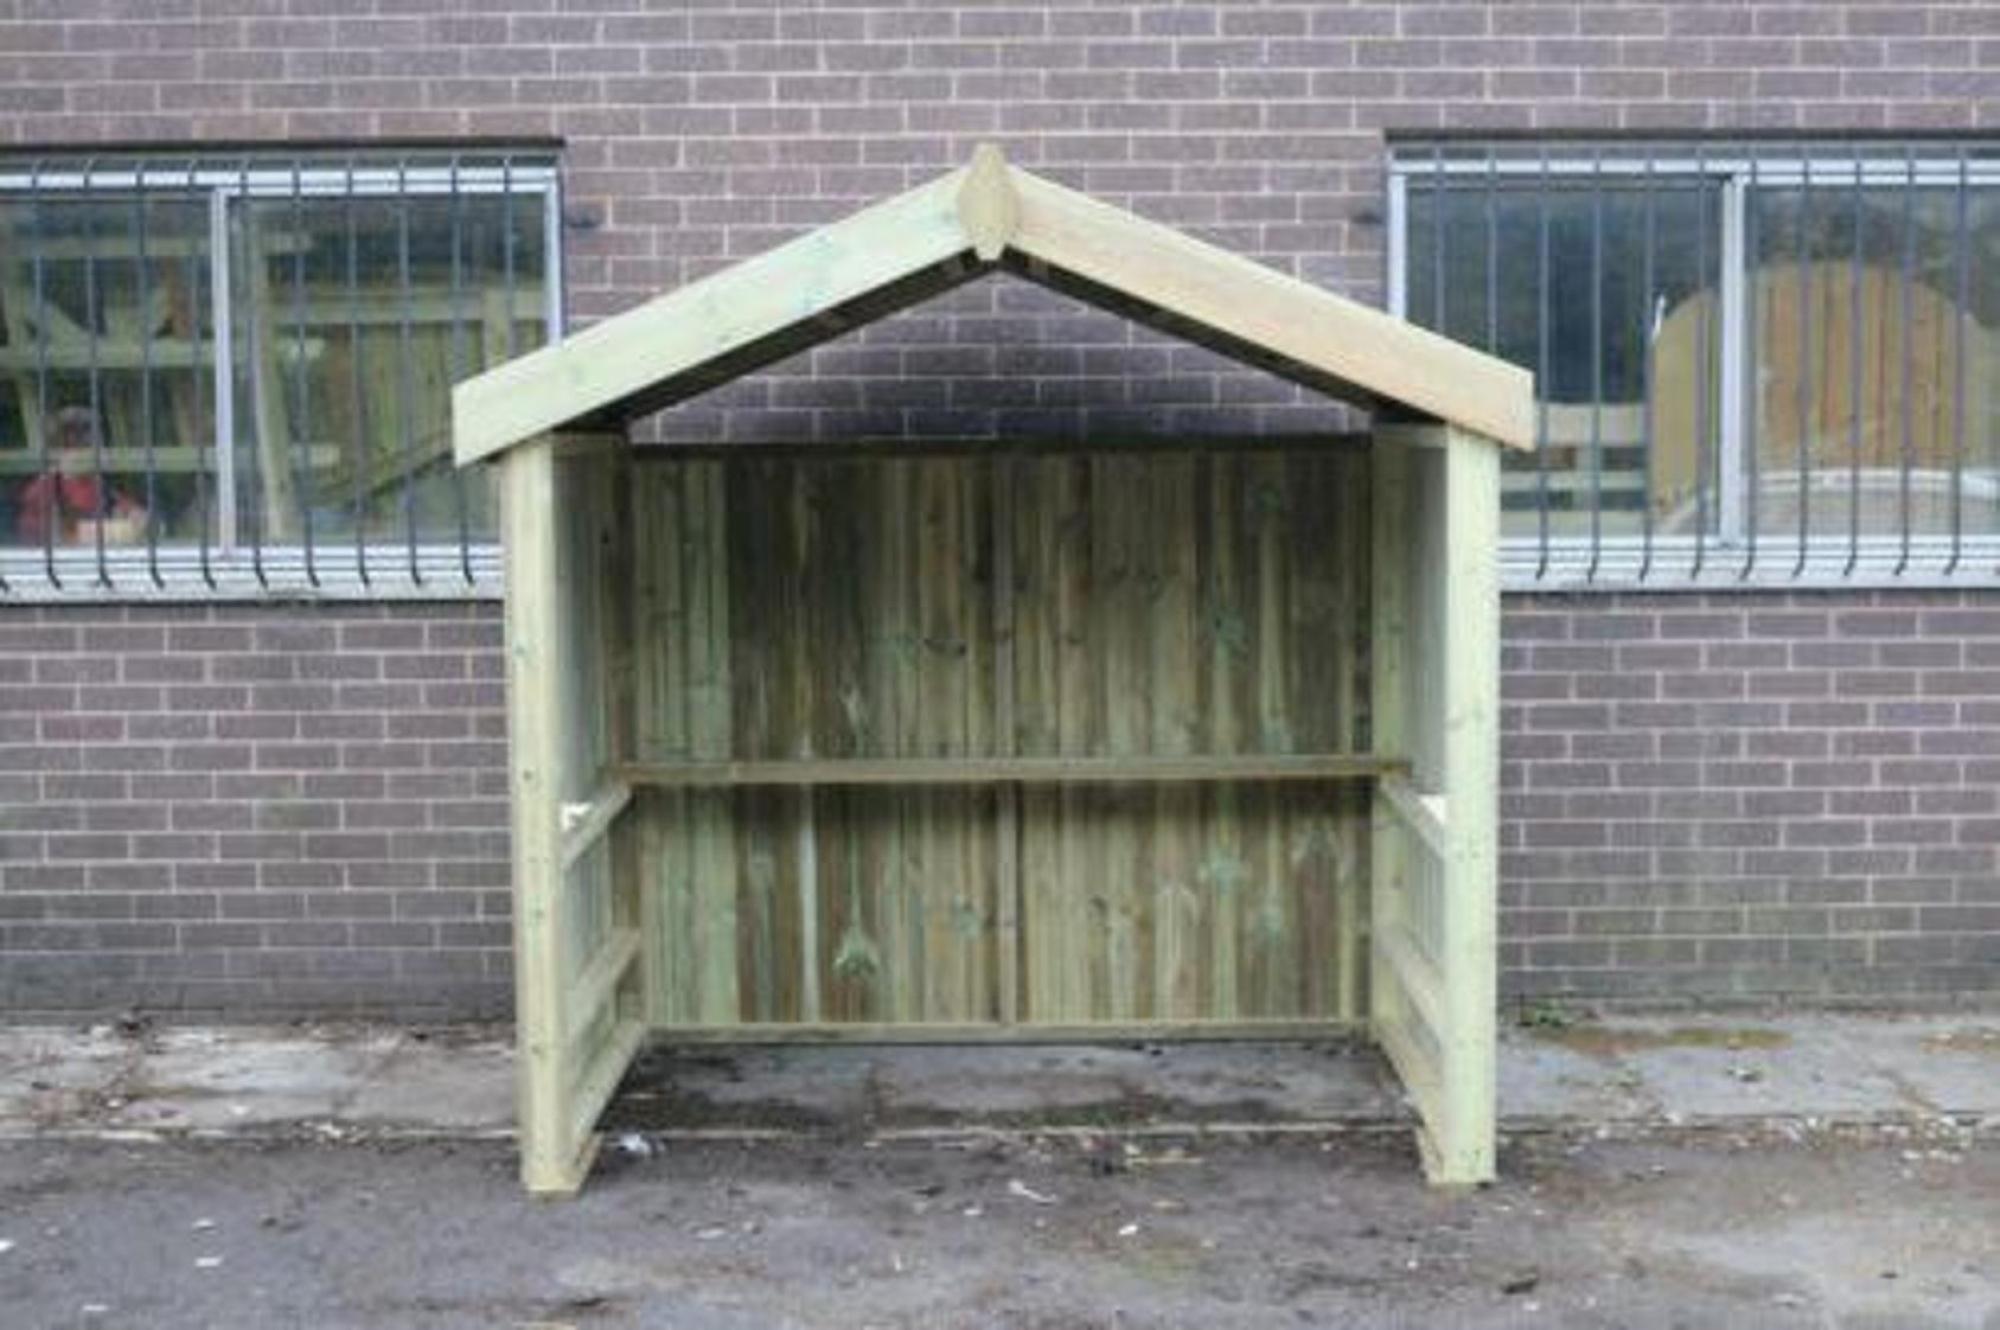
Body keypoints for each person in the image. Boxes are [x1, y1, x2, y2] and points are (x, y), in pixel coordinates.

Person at [14, 406, 149, 547]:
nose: (100, 451)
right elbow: (36, 544)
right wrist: (110, 532)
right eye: (89, 444)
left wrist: (140, 520)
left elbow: (140, 518)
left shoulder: (101, 487)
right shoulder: (41, 491)